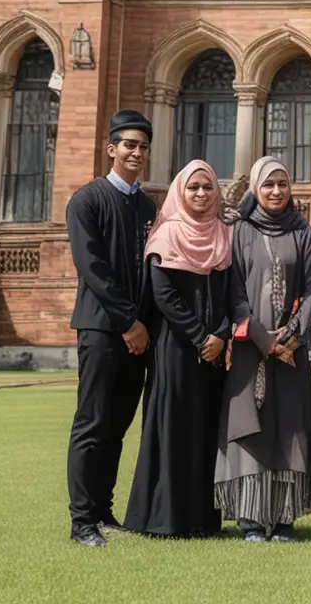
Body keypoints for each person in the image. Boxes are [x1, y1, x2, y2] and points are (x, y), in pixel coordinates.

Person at [216, 155, 311, 542]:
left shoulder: (301, 230)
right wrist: (264, 340)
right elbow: (235, 293)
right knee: (251, 427)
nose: (276, 191)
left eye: (282, 184)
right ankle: (249, 520)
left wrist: (292, 335)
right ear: (255, 190)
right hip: (250, 351)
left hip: (291, 353)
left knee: (290, 430)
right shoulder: (240, 231)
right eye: (268, 185)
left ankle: (283, 519)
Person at [124, 159, 234, 538]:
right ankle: (164, 518)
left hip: (213, 352)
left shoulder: (223, 233)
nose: (201, 194)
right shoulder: (167, 234)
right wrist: (201, 336)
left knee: (205, 428)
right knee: (172, 427)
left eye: (207, 187)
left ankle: (202, 518)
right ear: (180, 192)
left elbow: (229, 294)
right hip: (176, 347)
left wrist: (220, 334)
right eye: (193, 188)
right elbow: (164, 295)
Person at [65, 110, 158, 547]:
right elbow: (93, 268)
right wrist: (128, 322)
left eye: (142, 146)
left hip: (138, 334)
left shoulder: (145, 205)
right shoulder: (87, 200)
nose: (136, 152)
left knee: (118, 424)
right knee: (92, 423)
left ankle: (103, 510)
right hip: (102, 329)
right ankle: (81, 521)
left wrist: (144, 325)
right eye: (129, 145)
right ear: (112, 149)